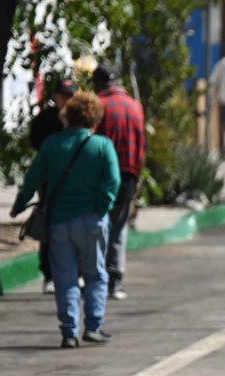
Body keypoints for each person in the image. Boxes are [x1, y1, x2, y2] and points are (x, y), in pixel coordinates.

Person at [11, 91, 120, 348]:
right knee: (95, 275)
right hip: (92, 222)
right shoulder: (102, 145)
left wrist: (18, 206)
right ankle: (93, 326)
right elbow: (113, 181)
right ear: (95, 118)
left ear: (67, 116)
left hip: (59, 222)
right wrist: (101, 207)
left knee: (65, 277)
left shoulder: (52, 144)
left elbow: (33, 178)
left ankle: (69, 332)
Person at [91, 64, 145, 303]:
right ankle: (115, 280)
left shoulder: (97, 105)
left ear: (97, 83)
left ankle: (95, 276)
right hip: (128, 174)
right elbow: (141, 146)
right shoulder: (135, 105)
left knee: (97, 222)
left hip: (101, 174)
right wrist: (138, 177)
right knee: (119, 226)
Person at [28, 76, 77, 294]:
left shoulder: (81, 119)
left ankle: (77, 273)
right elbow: (35, 141)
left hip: (76, 181)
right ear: (55, 96)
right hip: (50, 181)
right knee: (48, 224)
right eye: (62, 95)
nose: (66, 100)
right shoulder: (46, 118)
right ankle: (49, 275)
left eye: (70, 95)